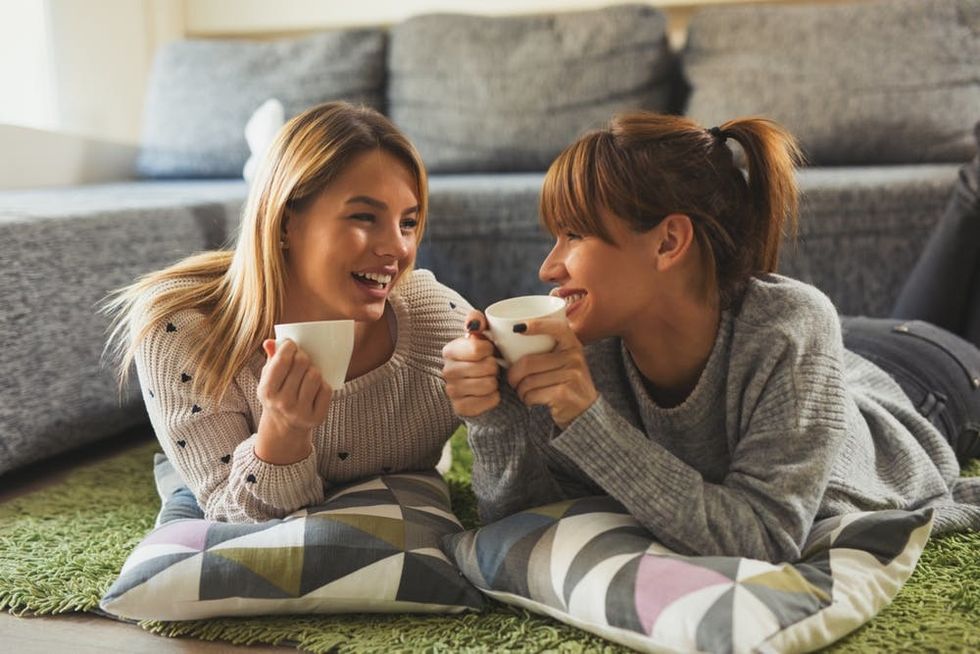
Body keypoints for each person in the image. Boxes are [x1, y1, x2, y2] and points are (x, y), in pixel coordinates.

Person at [442, 112, 980, 563]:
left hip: (921, 380)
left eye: (575, 234)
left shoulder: (791, 324)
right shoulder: (589, 343)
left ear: (669, 241)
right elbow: (526, 525)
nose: (547, 268)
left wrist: (588, 420)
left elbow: (765, 537)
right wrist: (495, 417)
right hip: (834, 355)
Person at [105, 101, 469, 523]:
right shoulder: (180, 331)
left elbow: (532, 460)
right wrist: (283, 434)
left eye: (408, 223)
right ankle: (264, 161)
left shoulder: (438, 323)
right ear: (283, 224)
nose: (399, 248)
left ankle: (267, 159)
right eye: (365, 217)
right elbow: (229, 515)